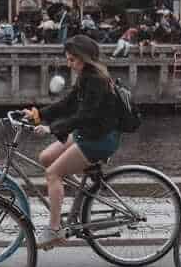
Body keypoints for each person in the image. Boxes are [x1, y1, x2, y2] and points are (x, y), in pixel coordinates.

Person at [23, 34, 121, 249]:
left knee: (53, 174)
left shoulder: (96, 79)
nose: (69, 64)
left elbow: (84, 116)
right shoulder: (86, 76)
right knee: (46, 157)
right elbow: (67, 103)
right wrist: (38, 114)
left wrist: (51, 128)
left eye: (72, 60)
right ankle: (82, 192)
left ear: (85, 58)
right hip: (88, 133)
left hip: (99, 139)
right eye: (68, 59)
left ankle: (55, 230)